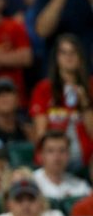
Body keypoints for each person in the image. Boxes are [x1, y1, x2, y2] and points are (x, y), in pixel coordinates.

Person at [29, 34, 93, 169]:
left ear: (80, 57)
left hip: (87, 159)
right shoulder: (44, 89)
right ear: (56, 58)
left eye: (73, 52)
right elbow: (41, 133)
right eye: (63, 52)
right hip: (53, 156)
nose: (68, 57)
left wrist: (85, 104)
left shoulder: (91, 86)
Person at [33, 131, 92, 199]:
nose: (57, 156)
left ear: (68, 155)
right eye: (50, 151)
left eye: (62, 150)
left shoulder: (81, 187)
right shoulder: (32, 182)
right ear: (41, 155)